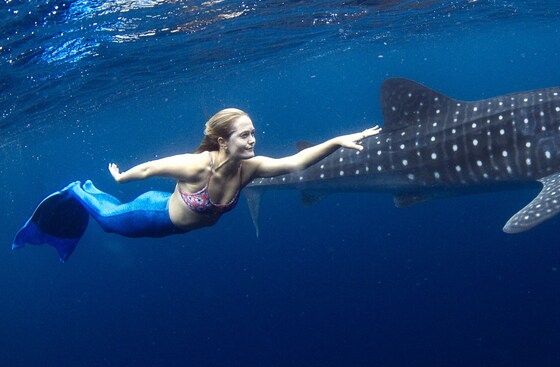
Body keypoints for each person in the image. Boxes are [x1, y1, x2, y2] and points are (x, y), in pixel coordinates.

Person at [12, 108, 381, 262]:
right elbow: (153, 167)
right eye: (245, 136)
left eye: (254, 134)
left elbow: (295, 163)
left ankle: (88, 194)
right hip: (153, 215)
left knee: (111, 216)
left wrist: (336, 141)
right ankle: (79, 189)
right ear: (223, 141)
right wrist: (122, 176)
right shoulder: (196, 166)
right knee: (108, 220)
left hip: (174, 221)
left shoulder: (248, 169)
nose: (253, 141)